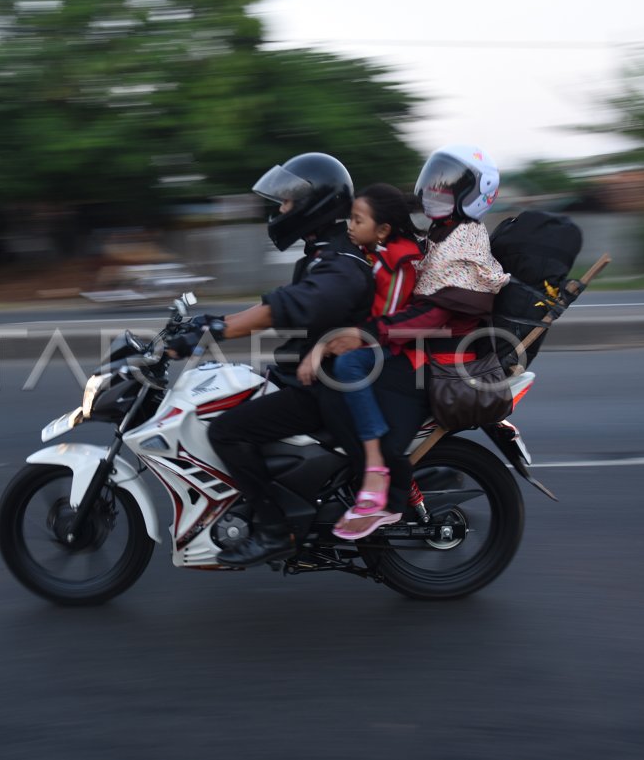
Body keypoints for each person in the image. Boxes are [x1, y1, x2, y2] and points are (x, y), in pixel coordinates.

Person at [167, 152, 375, 568]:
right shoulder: (323, 255)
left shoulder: (341, 263)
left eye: (287, 202)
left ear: (316, 203)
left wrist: (215, 330)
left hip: (326, 388)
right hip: (312, 377)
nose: (280, 211)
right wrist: (214, 322)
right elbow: (280, 304)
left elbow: (288, 306)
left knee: (226, 431)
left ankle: (275, 529)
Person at [317, 145, 509, 539]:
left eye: (447, 185)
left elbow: (432, 316)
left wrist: (366, 334)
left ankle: (383, 491)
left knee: (348, 376)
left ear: (474, 195)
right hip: (422, 351)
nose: (435, 190)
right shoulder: (446, 234)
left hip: (438, 364)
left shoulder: (464, 245)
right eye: (434, 180)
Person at [295, 183, 423, 538]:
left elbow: (388, 321)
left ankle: (374, 464)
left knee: (348, 366)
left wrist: (327, 347)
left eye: (357, 219)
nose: (349, 226)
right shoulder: (377, 254)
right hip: (378, 336)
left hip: (396, 346)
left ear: (382, 229)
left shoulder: (401, 259)